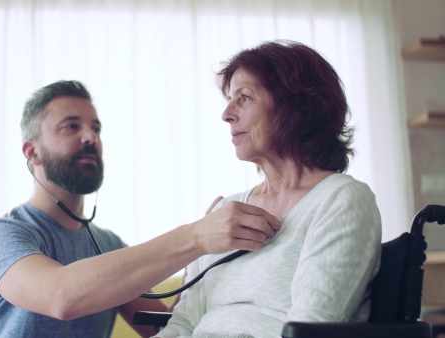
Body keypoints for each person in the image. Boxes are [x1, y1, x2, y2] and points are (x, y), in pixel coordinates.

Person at [0, 80, 282, 338]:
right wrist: (197, 237)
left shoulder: (107, 246)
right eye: (70, 127)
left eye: (96, 128)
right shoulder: (0, 236)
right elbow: (60, 296)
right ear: (32, 152)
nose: (90, 137)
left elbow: (167, 326)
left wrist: (204, 261)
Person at [155, 40, 382, 338]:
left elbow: (310, 326)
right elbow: (183, 325)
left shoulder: (341, 200)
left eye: (245, 97)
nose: (227, 114)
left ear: (297, 107)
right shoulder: (226, 212)